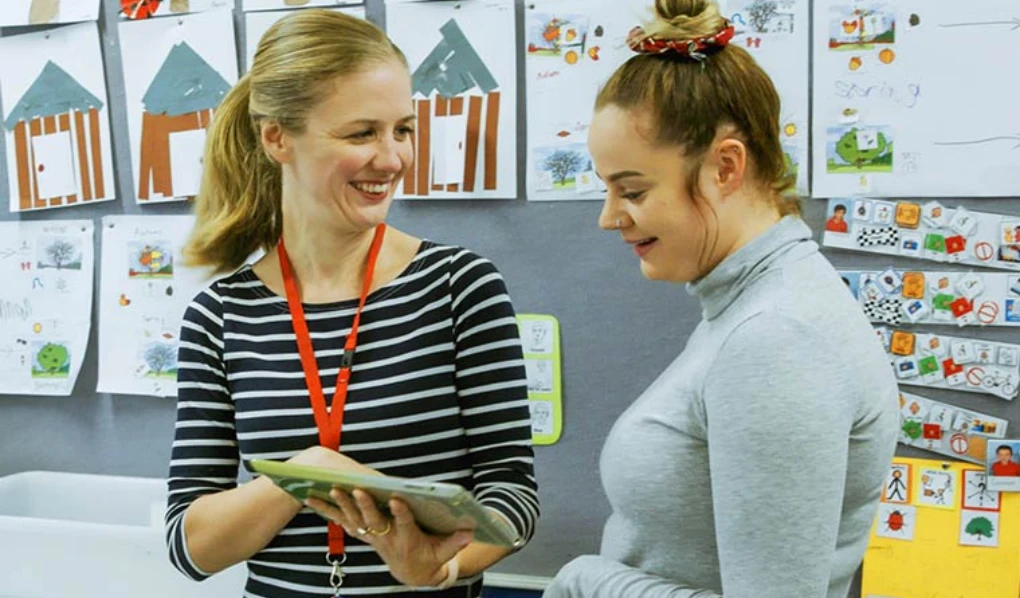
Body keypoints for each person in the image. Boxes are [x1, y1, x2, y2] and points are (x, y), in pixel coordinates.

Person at [165, 10, 538, 598]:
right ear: (276, 137)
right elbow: (189, 547)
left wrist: (439, 568)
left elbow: (512, 494)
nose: (390, 159)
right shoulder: (220, 315)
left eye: (403, 130)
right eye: (361, 133)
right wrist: (309, 475)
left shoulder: (458, 286)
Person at [543, 1, 898, 597]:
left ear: (725, 167)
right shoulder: (748, 309)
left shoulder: (777, 339)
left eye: (631, 189)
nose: (609, 218)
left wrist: (591, 580)